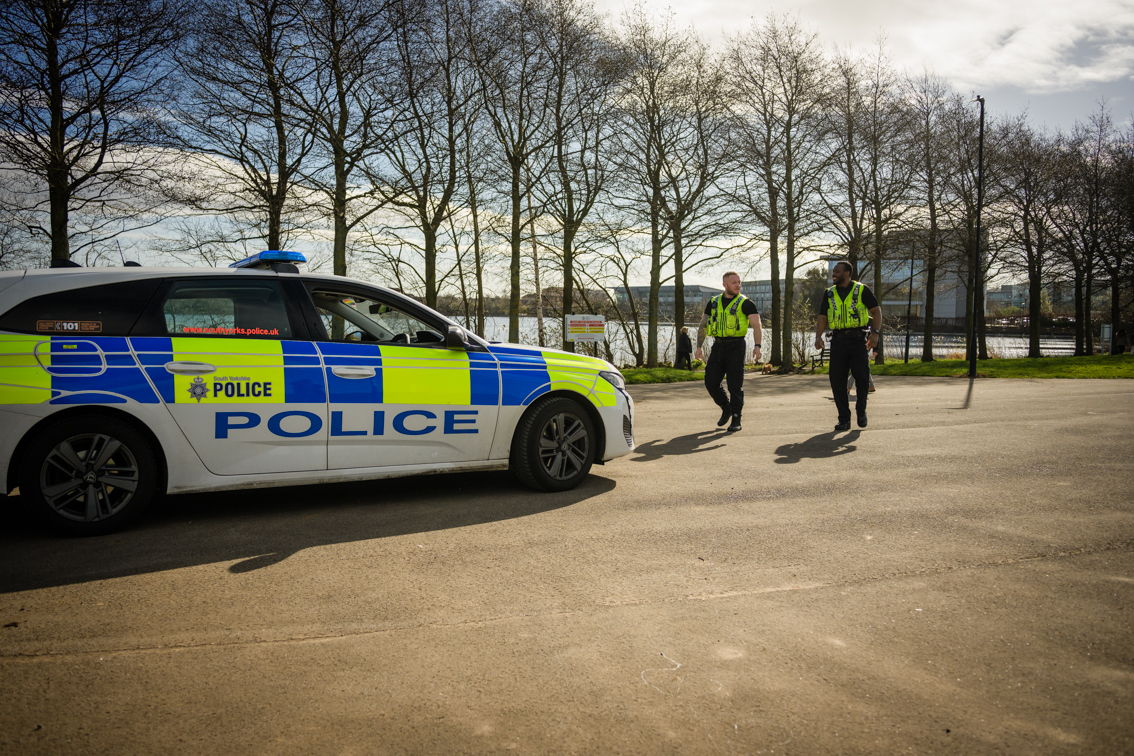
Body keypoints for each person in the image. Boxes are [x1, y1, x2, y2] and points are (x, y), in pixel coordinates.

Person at [813, 261, 882, 432]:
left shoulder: (861, 290)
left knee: (862, 378)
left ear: (847, 273)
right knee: (837, 382)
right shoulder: (828, 293)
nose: (833, 274)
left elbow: (876, 311)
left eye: (837, 271)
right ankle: (843, 419)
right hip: (838, 342)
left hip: (858, 340)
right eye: (833, 271)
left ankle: (861, 410)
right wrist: (818, 336)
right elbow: (822, 317)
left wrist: (876, 333)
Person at [695, 271, 762, 432]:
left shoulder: (746, 303)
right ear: (725, 285)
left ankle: (736, 419)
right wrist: (698, 347)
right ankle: (726, 407)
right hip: (717, 346)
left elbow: (757, 325)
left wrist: (757, 346)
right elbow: (703, 325)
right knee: (710, 382)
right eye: (734, 283)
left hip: (736, 347)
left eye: (739, 282)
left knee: (735, 386)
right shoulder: (713, 302)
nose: (738, 285)